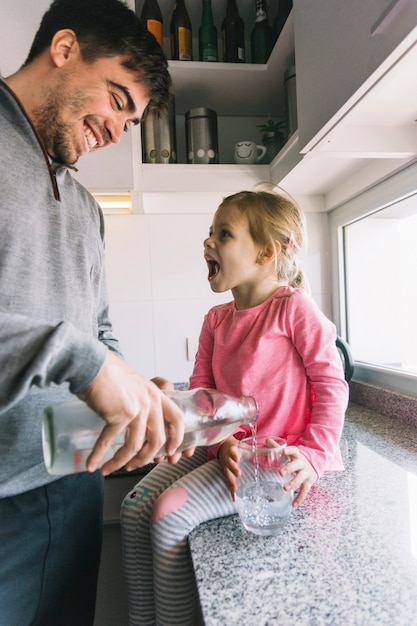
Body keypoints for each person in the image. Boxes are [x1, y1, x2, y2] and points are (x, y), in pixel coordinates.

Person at [0, 1, 186, 624]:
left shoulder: (86, 207)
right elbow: (82, 350)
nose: (116, 129)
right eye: (116, 99)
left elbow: (97, 330)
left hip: (76, 480)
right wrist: (88, 363)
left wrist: (131, 384)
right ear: (64, 48)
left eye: (130, 123)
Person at [121, 188, 350, 625]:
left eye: (223, 234)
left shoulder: (293, 308)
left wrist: (315, 456)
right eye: (210, 232)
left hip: (270, 461)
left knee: (167, 513)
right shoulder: (215, 320)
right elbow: (202, 390)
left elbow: (331, 383)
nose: (208, 241)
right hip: (222, 449)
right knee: (134, 507)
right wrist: (207, 435)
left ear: (265, 252)